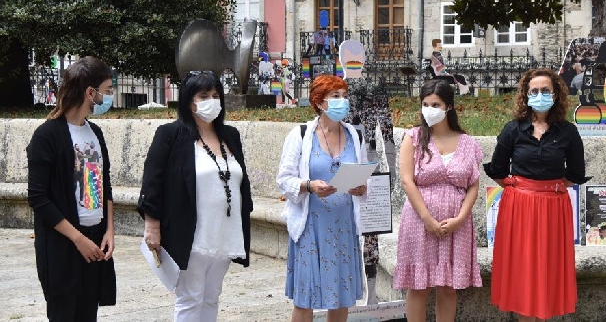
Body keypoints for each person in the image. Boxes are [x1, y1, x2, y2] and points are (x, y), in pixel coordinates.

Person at [137, 70, 253, 322]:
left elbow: (240, 181)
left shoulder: (230, 136)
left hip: (224, 231)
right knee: (190, 298)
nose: (212, 101)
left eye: (216, 95)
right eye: (204, 96)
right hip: (191, 232)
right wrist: (152, 225)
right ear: (190, 101)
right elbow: (153, 181)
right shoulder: (171, 134)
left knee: (211, 296)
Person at [484, 68, 588, 321]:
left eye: (545, 90)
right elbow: (497, 170)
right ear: (525, 95)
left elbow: (575, 173)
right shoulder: (513, 129)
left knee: (547, 271)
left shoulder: (568, 132)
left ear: (556, 94)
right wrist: (524, 189)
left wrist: (547, 189)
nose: (539, 95)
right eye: (534, 91)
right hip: (518, 208)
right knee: (522, 271)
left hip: (553, 208)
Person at [27, 56, 116, 322]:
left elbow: (105, 184)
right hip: (64, 245)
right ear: (90, 92)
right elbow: (38, 198)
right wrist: (78, 239)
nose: (109, 97)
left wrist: (109, 230)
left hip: (96, 240)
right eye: (107, 90)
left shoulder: (96, 133)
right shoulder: (47, 136)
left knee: (88, 314)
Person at [276, 74, 368, 322]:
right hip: (311, 226)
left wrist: (361, 187)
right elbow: (284, 179)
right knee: (305, 297)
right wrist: (309, 185)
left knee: (341, 296)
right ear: (319, 101)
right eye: (335, 96)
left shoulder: (355, 135)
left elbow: (364, 175)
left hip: (344, 227)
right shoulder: (301, 134)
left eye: (345, 96)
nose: (342, 101)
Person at [393, 80, 483, 322]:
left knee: (448, 287)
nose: (429, 109)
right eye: (425, 104)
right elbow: (407, 181)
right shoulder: (413, 137)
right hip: (419, 220)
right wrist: (427, 219)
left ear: (449, 107)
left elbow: (473, 185)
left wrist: (460, 218)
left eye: (435, 105)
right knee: (418, 286)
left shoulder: (468, 142)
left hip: (456, 224)